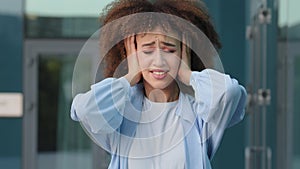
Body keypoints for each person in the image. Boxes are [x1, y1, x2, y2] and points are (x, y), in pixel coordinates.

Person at [70, 0, 247, 168]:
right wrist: (130, 76)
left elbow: (229, 92)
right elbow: (85, 109)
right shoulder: (119, 113)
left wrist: (188, 75)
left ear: (184, 53)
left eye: (169, 50)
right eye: (147, 50)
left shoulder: (200, 115)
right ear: (131, 54)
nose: (159, 60)